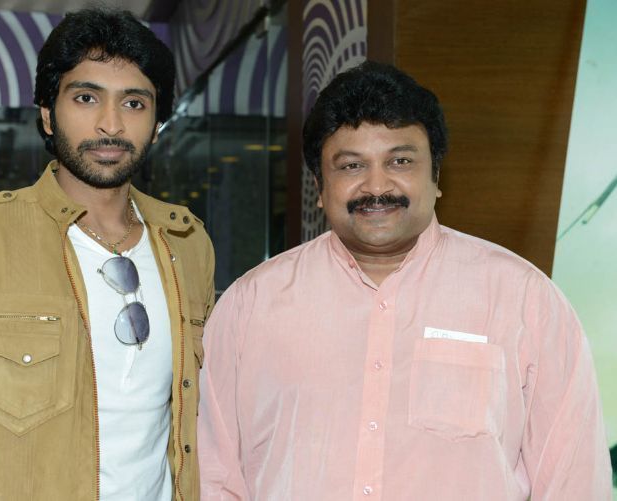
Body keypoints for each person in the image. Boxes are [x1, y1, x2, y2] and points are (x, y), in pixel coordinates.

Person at [197, 61, 611, 500]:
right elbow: (214, 476)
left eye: (400, 161)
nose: (377, 186)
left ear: (436, 177)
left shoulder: (525, 300)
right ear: (319, 186)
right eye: (351, 166)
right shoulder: (250, 306)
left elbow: (573, 481)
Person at [0, 8, 214, 501]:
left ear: (158, 123)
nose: (111, 123)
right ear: (48, 114)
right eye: (86, 97)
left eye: (134, 102)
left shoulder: (187, 243)